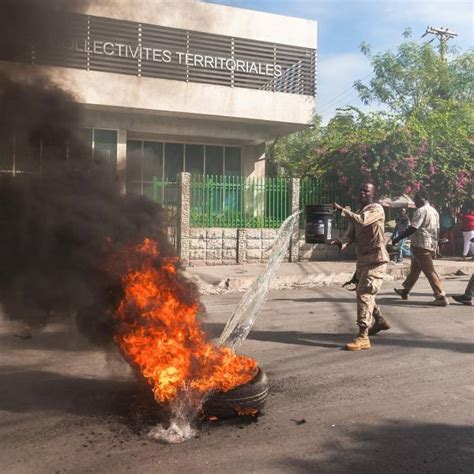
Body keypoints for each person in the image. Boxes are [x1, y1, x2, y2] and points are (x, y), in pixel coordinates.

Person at [331, 183, 390, 351]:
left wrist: (342, 210)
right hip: (363, 260)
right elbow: (350, 235)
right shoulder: (357, 212)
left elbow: (363, 221)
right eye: (361, 190)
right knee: (366, 291)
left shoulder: (376, 209)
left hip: (377, 259)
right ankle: (379, 320)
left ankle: (363, 336)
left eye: (367, 191)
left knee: (365, 293)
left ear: (373, 194)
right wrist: (341, 243)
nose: (363, 193)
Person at [393, 190, 449, 306]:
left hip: (421, 244)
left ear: (423, 198)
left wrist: (398, 238)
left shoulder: (420, 211)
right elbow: (438, 230)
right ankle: (405, 290)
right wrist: (437, 244)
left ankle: (440, 296)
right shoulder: (434, 211)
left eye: (416, 200)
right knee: (415, 269)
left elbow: (413, 228)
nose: (415, 202)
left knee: (429, 271)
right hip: (430, 244)